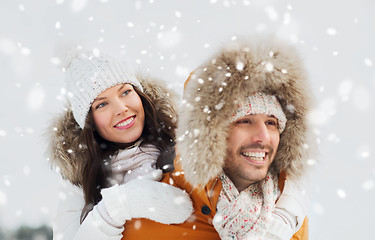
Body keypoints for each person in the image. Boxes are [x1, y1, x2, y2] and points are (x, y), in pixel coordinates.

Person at [121, 36, 314, 239]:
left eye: (272, 123)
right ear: (209, 134)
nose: (263, 136)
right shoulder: (149, 216)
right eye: (244, 121)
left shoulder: (286, 219)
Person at [47, 51, 193, 240]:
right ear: (89, 124)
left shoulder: (183, 146)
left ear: (140, 95)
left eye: (125, 92)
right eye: (102, 105)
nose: (121, 109)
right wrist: (118, 206)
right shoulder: (79, 181)